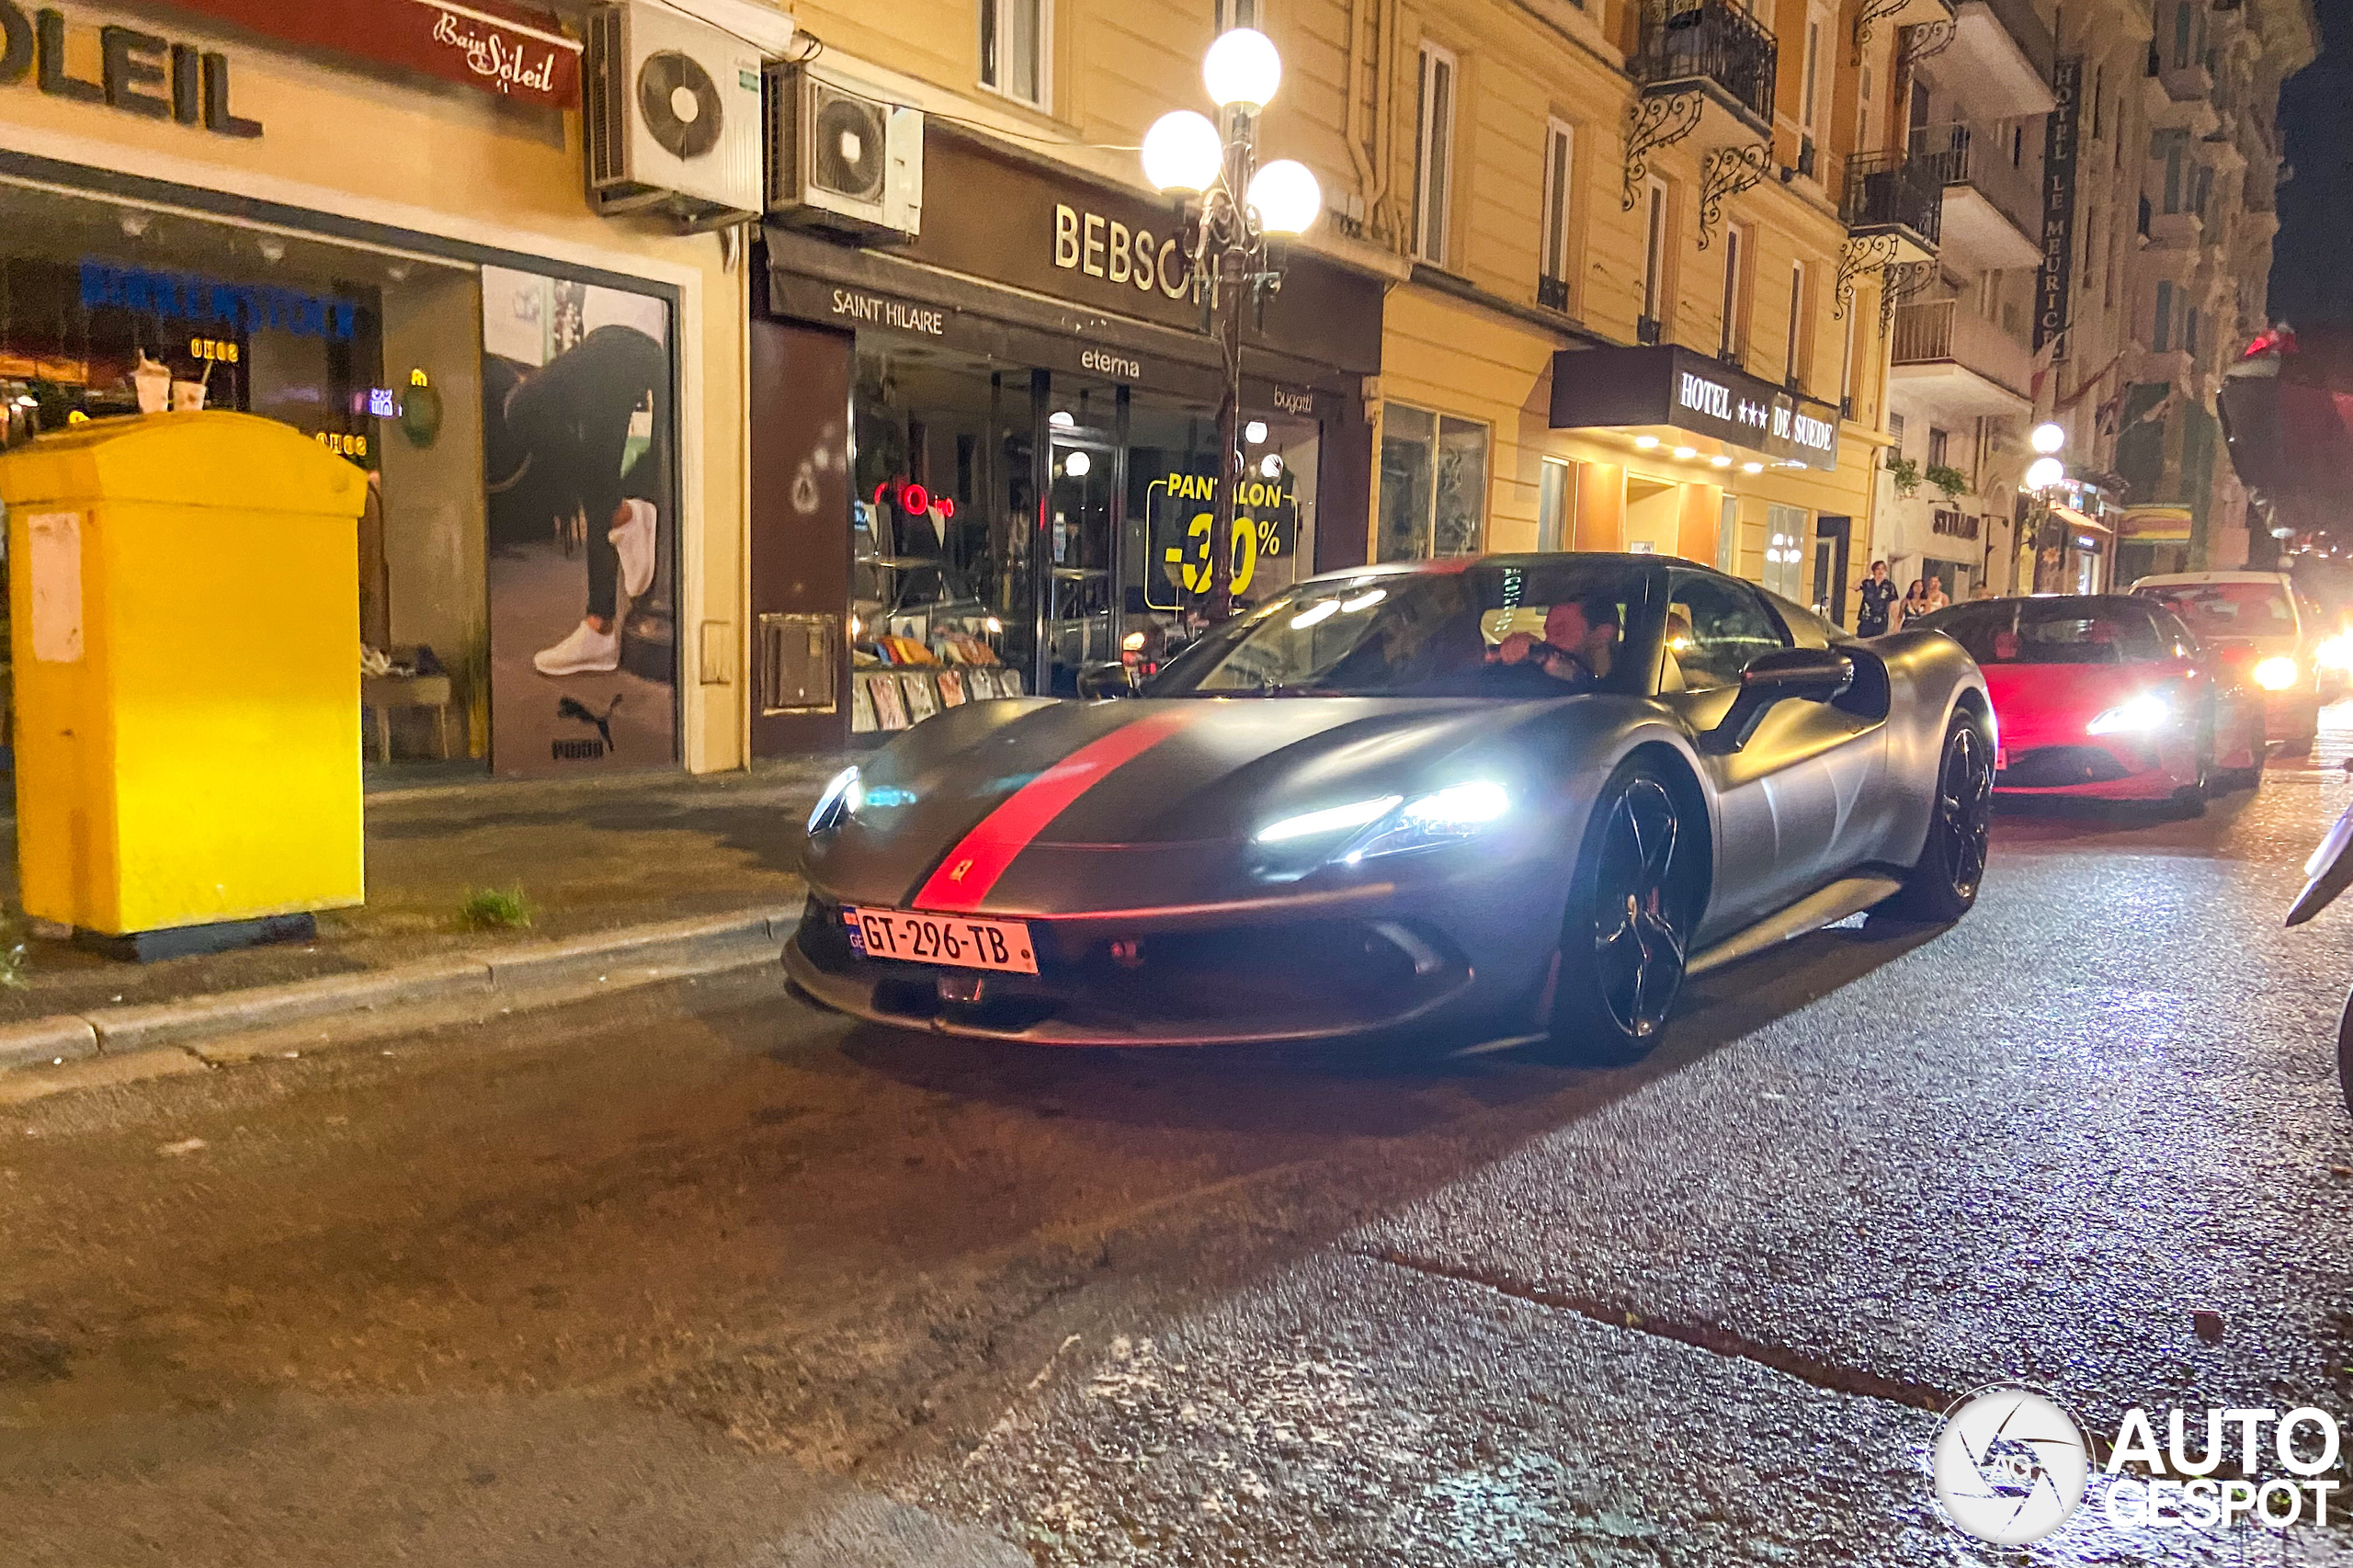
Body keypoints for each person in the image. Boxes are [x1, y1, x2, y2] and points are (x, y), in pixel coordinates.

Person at [493, 323, 670, 676]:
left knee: (523, 407)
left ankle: (622, 517)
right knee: (598, 467)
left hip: (625, 336)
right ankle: (599, 627)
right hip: (616, 336)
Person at [1487, 597, 1620, 692]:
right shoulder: (1540, 680)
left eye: (1560, 632)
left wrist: (1575, 677)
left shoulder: (1630, 686)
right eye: (1547, 633)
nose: (1549, 641)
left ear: (1602, 634)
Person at [1856, 560, 1899, 637]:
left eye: (1883, 569)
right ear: (1874, 571)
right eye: (1878, 569)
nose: (1880, 571)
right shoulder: (1867, 583)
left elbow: (1893, 605)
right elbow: (1854, 586)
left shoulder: (1889, 586)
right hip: (1866, 619)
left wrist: (1896, 622)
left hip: (1880, 621)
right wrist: (1866, 574)